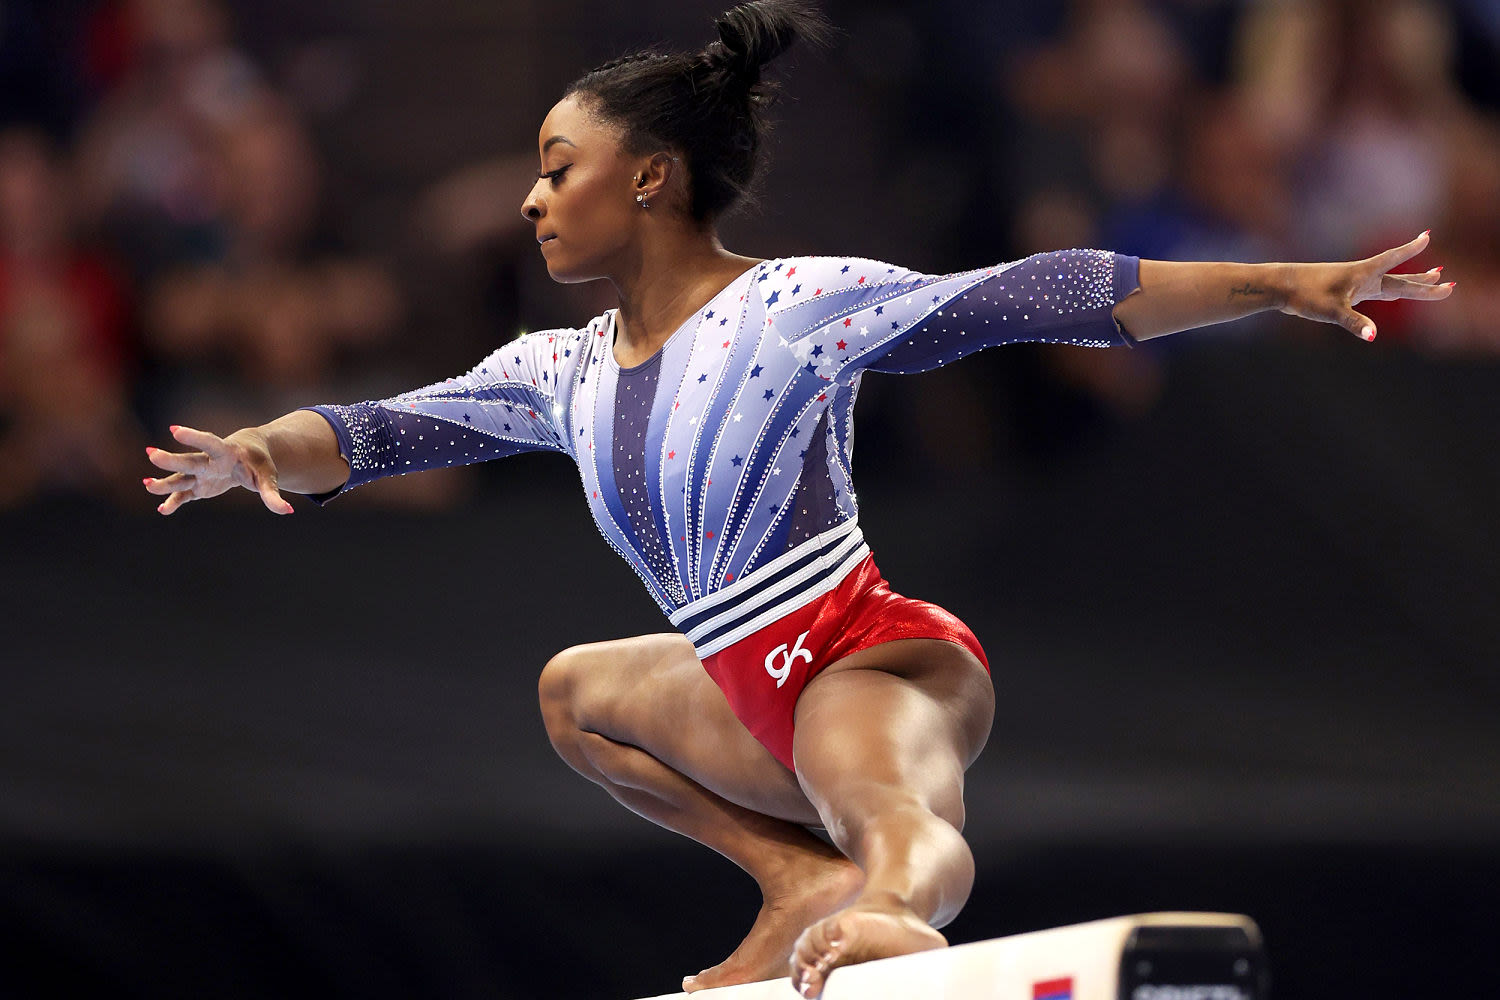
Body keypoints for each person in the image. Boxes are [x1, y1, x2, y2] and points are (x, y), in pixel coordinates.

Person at [142, 2, 1455, 996]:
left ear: (650, 179)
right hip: (739, 689)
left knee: (887, 810)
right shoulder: (561, 368)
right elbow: (380, 432)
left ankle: (886, 899)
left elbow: (1034, 294)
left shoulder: (794, 306)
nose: (534, 198)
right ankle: (796, 884)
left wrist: (1274, 280)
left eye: (559, 168)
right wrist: (266, 445)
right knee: (574, 693)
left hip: (869, 656)